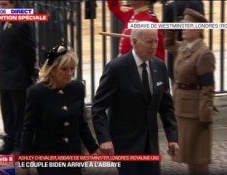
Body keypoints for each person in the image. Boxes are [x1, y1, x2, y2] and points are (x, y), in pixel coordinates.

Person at [92, 28, 179, 175]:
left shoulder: (160, 66)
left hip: (151, 146)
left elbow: (166, 107)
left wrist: (172, 137)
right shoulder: (116, 68)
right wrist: (104, 139)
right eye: (149, 41)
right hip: (126, 145)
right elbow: (98, 108)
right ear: (134, 42)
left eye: (156, 41)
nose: (153, 46)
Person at [19, 44, 100, 175]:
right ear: (52, 69)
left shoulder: (77, 88)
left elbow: (80, 122)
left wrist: (93, 148)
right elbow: (28, 128)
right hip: (48, 156)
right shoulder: (37, 92)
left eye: (72, 69)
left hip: (73, 155)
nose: (70, 73)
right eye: (64, 69)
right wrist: (24, 164)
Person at [165, 8, 216, 175]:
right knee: (189, 156)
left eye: (187, 25)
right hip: (182, 108)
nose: (183, 28)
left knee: (198, 158)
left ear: (198, 29)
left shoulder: (203, 53)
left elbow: (208, 87)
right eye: (182, 25)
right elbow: (169, 44)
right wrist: (171, 28)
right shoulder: (184, 47)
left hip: (196, 113)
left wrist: (205, 115)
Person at [0, 0, 37, 155]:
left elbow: (28, 52)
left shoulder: (21, 24)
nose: (1, 8)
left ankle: (19, 145)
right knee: (7, 112)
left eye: (5, 5)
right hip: (3, 77)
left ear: (13, 5)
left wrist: (29, 73)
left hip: (17, 77)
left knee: (19, 113)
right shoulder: (4, 22)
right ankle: (8, 141)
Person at [163, 0, 204, 82]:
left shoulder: (170, 6)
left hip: (175, 47)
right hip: (195, 46)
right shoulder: (198, 3)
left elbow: (165, 29)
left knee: (176, 81)